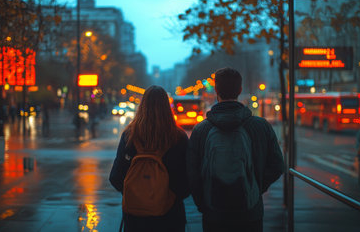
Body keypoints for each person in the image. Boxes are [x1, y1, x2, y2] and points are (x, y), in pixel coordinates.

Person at [188, 67, 284, 232]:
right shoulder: (261, 127)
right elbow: (277, 165)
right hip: (250, 212)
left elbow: (191, 172)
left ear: (216, 90)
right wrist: (255, 186)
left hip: (214, 214)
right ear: (240, 90)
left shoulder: (201, 130)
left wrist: (203, 203)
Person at [109, 85, 190, 232]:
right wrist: (168, 196)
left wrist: (137, 192)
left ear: (142, 105)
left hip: (135, 217)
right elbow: (187, 181)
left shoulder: (129, 136)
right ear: (167, 107)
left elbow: (115, 177)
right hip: (170, 217)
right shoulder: (179, 137)